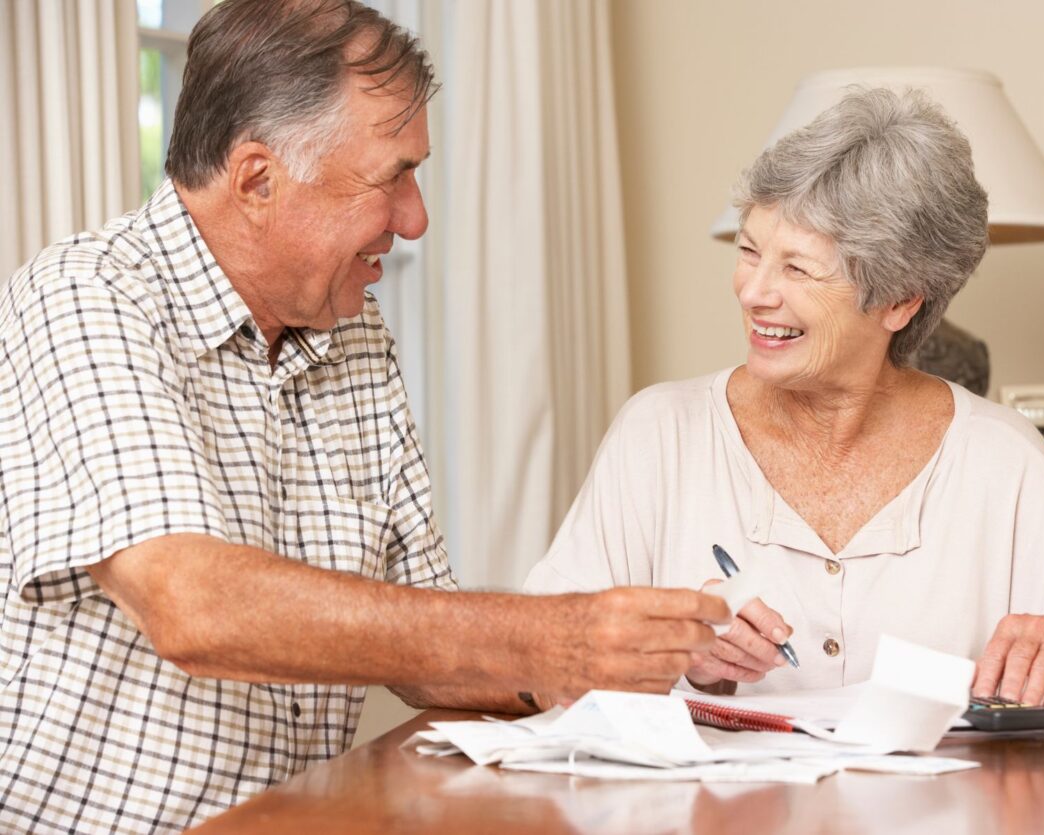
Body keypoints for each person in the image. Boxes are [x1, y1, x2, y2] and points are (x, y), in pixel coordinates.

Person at [0, 1, 728, 830]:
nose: (415, 219)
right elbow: (192, 603)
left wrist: (638, 651)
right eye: (393, 176)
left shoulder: (350, 331)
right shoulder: (86, 296)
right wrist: (548, 636)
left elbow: (431, 650)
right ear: (257, 179)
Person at [525, 87, 1044, 706]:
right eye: (750, 249)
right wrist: (669, 649)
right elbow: (534, 657)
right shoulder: (659, 435)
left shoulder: (998, 457)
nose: (753, 290)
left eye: (797, 268)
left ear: (899, 300)